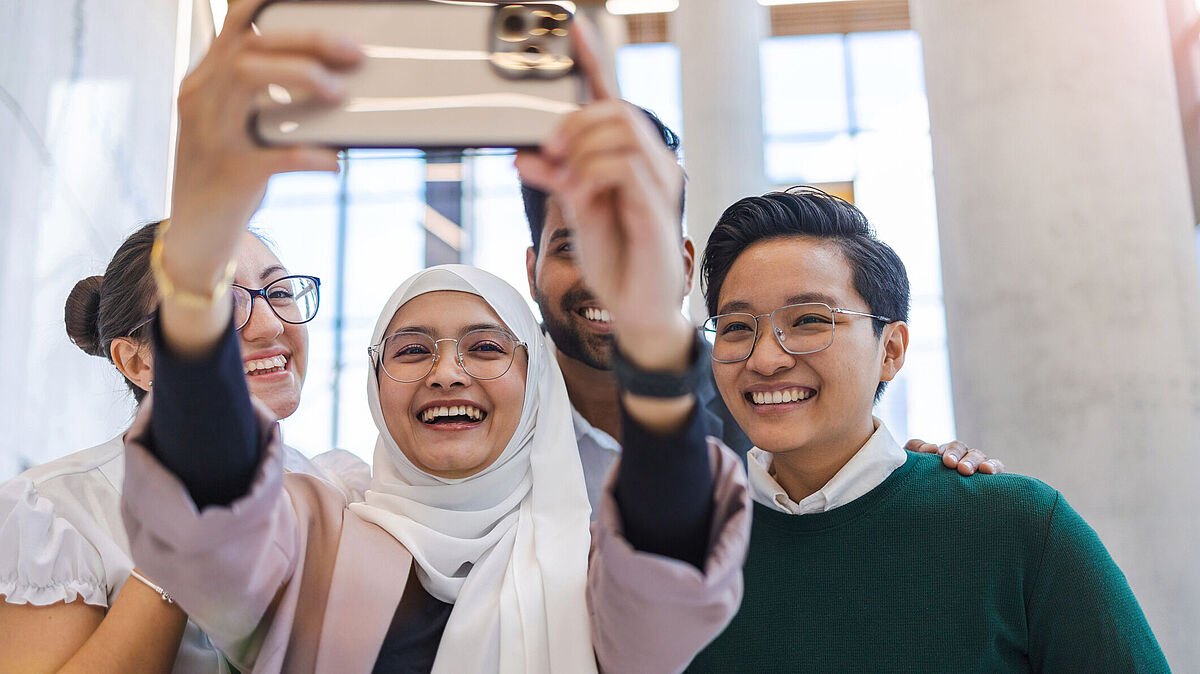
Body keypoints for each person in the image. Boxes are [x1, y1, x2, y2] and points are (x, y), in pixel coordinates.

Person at [116, 3, 748, 671]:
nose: (448, 373)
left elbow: (669, 568)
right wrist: (194, 257)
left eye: (486, 348)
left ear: (536, 387)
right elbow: (205, 515)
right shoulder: (308, 537)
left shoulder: (594, 561)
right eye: (412, 350)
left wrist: (648, 328)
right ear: (374, 383)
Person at [569, 185, 1166, 671]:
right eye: (736, 327)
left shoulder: (1015, 525)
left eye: (808, 321)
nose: (766, 358)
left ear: (892, 348)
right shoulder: (676, 546)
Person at [519, 109, 1003, 510]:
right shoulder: (476, 407)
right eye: (574, 248)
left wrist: (924, 480)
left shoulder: (761, 403)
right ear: (532, 266)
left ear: (685, 266)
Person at [0, 222, 368, 673]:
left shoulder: (342, 492)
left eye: (278, 291)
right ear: (136, 361)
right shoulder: (55, 512)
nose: (271, 324)